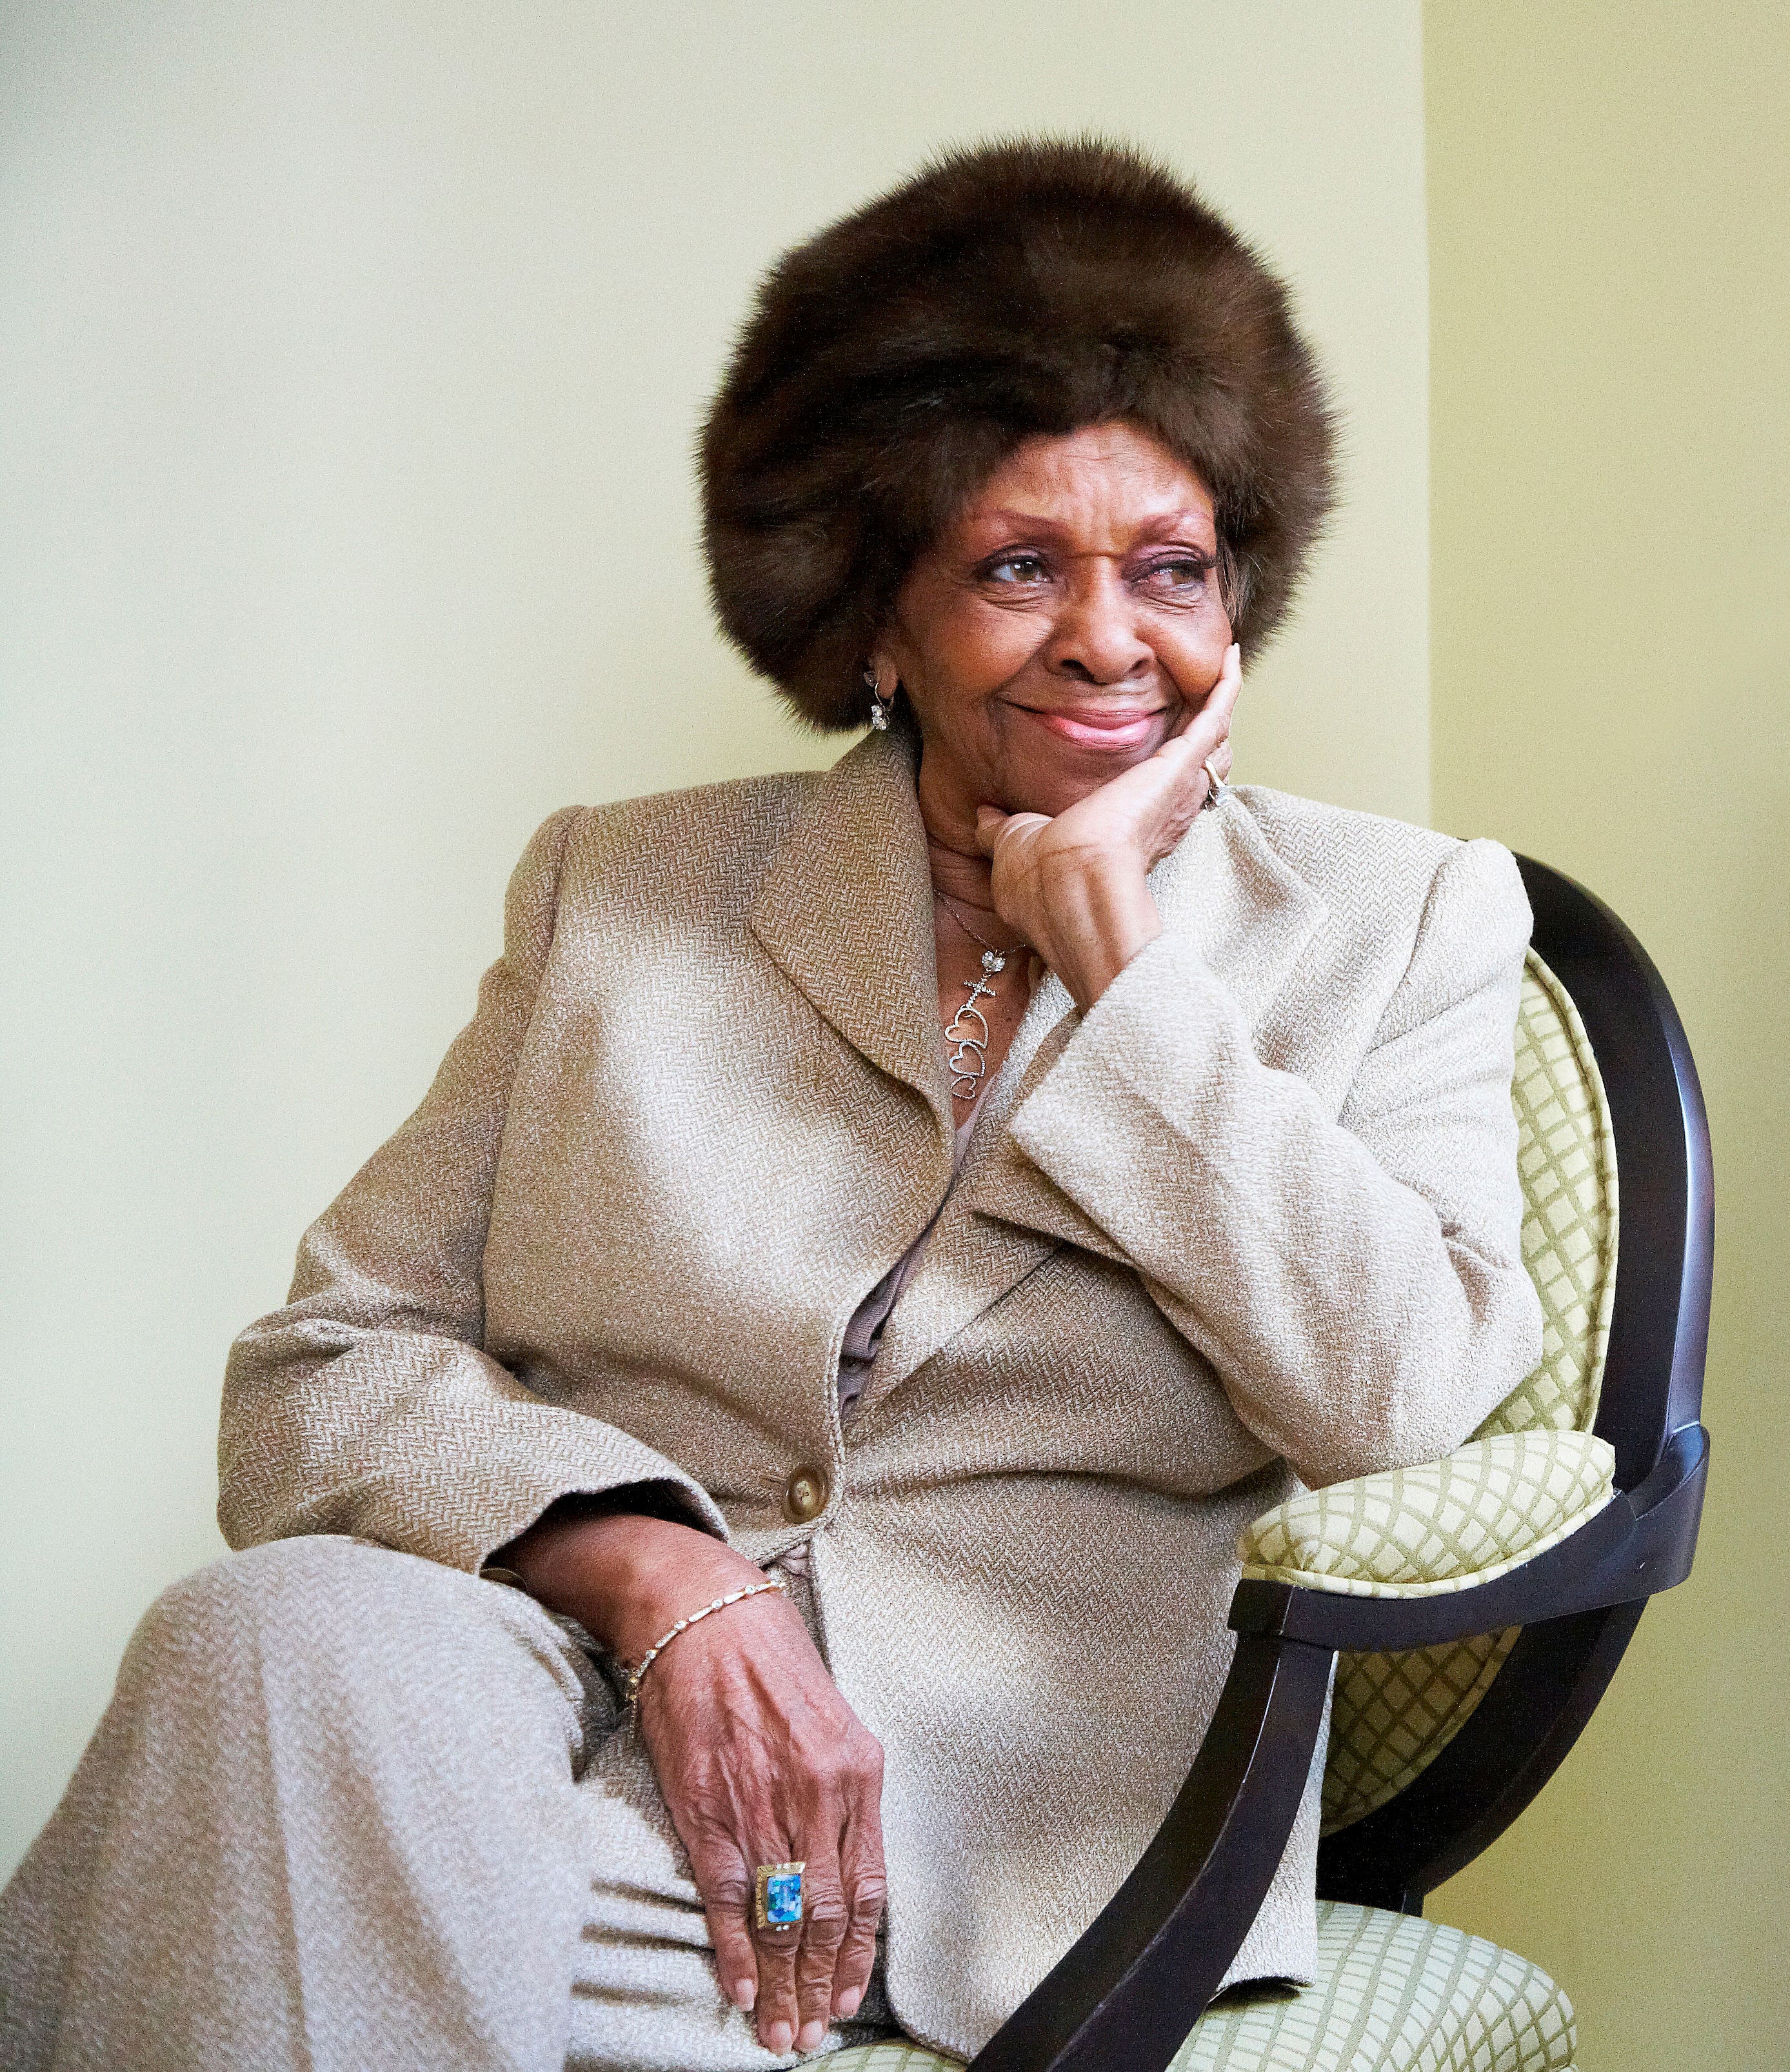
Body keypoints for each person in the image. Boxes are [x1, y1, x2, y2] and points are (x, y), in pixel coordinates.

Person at [0, 139, 1542, 2071]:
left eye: (1170, 570)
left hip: (973, 1827)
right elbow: (319, 1367)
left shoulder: (1396, 920)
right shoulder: (620, 891)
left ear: (1240, 602)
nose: (1104, 636)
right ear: (872, 624)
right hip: (529, 1708)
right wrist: (654, 1566)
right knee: (263, 1650)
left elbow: (1397, 1390)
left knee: (230, 1899)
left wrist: (1125, 979)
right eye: (1013, 567)